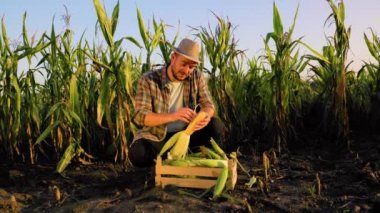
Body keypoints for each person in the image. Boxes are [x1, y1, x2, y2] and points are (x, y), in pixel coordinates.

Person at [129, 38, 225, 167]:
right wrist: (173, 116)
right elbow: (140, 116)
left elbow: (208, 105)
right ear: (173, 57)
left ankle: (201, 164)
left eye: (191, 67)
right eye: (184, 64)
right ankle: (161, 167)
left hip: (187, 135)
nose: (186, 71)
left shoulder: (197, 77)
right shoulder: (149, 79)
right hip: (158, 137)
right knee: (138, 153)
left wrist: (204, 116)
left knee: (215, 125)